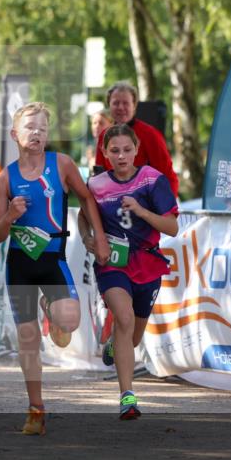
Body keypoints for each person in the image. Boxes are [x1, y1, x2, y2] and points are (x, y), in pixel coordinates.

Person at [0, 102, 109, 435]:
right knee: (28, 338)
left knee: (69, 321)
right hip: (20, 263)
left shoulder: (62, 165)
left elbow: (87, 199)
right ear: (15, 134)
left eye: (43, 128)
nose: (37, 133)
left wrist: (98, 238)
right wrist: (11, 216)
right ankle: (36, 409)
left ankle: (50, 309)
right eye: (30, 127)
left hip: (53, 257)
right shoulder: (5, 178)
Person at [79, 125, 179, 420]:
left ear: (136, 150)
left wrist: (142, 211)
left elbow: (172, 227)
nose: (121, 156)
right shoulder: (95, 185)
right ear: (105, 153)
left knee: (132, 336)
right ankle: (127, 396)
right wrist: (89, 240)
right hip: (113, 263)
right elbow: (84, 218)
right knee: (122, 317)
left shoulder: (152, 180)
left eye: (126, 150)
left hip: (147, 263)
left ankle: (114, 343)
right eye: (114, 151)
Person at [94, 81, 179, 195]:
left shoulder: (150, 134)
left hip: (147, 204)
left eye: (125, 103)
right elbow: (100, 176)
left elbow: (167, 176)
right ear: (109, 105)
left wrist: (165, 208)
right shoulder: (103, 136)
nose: (120, 107)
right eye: (116, 103)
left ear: (134, 106)